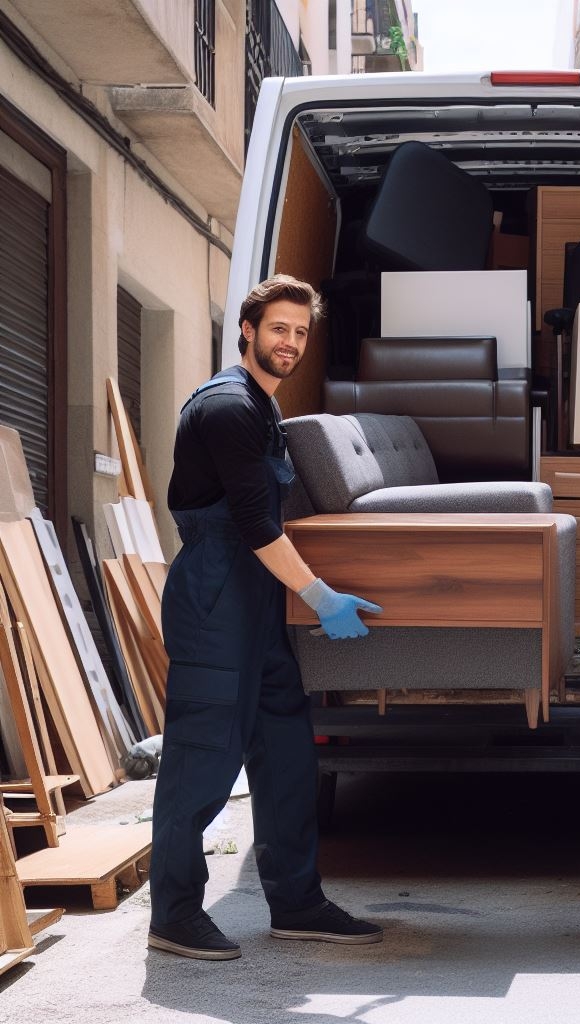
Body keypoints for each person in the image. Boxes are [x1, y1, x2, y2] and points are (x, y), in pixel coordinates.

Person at [148, 275, 384, 961]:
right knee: (202, 759)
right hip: (216, 594)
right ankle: (175, 913)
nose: (290, 342)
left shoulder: (261, 408)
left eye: (301, 332)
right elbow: (253, 523)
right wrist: (321, 596)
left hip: (255, 597)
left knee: (285, 752)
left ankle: (297, 901)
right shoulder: (229, 408)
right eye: (279, 328)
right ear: (247, 330)